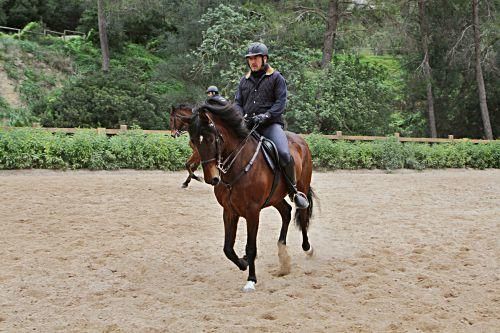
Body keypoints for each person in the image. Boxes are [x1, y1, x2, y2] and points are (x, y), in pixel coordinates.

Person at [234, 42, 309, 209]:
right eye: (250, 59)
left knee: (283, 153)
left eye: (256, 58)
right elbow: (238, 103)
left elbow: (280, 103)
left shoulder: (276, 78)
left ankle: (294, 191)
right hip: (248, 125)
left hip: (270, 125)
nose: (253, 62)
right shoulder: (243, 81)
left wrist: (266, 115)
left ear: (264, 58)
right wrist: (240, 116)